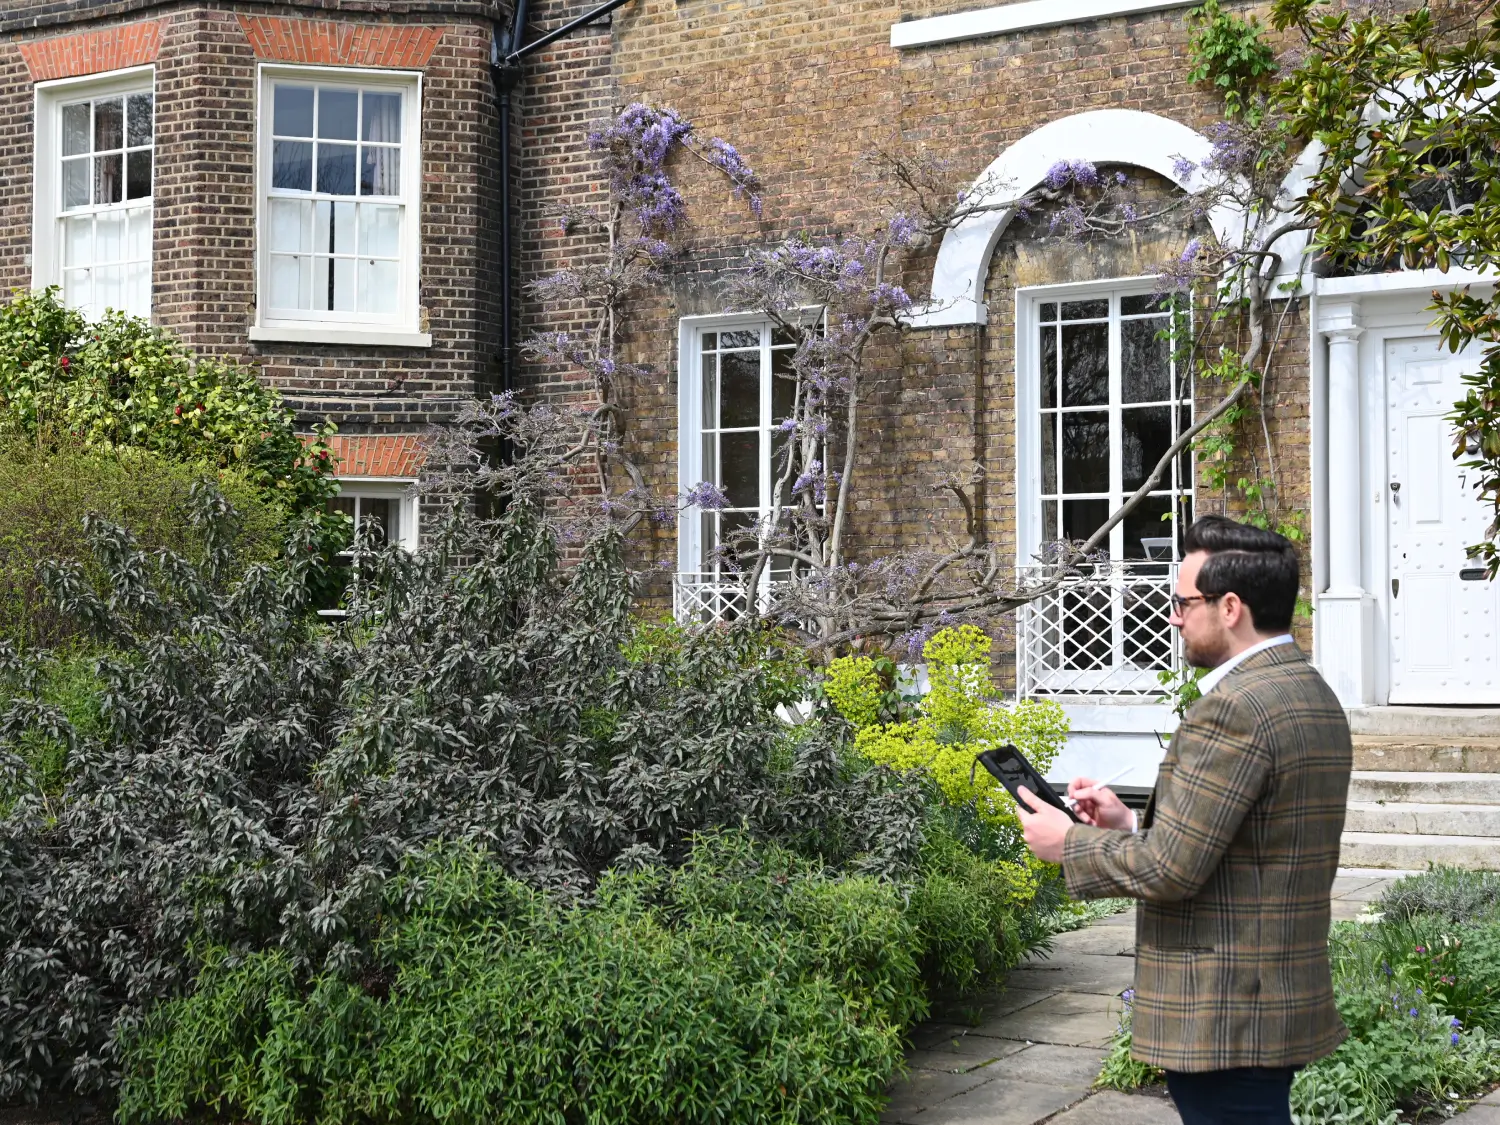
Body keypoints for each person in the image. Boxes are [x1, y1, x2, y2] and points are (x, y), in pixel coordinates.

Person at [1014, 516, 1353, 1125]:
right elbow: (1246, 849)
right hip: (1270, 996)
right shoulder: (1308, 691)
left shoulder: (1235, 709)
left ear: (1230, 607)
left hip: (1224, 1010)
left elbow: (1172, 870)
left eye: (1181, 602)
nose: (1171, 617)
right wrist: (1124, 829)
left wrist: (1069, 843)